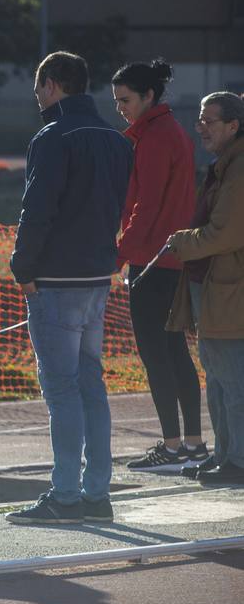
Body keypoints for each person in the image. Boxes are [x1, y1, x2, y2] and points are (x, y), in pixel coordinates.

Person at [6, 52, 133, 525]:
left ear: (52, 84)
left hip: (56, 278)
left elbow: (37, 208)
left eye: (39, 87)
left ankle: (65, 495)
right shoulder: (115, 139)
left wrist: (22, 266)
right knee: (90, 385)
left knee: (61, 390)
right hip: (97, 274)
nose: (37, 97)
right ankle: (96, 494)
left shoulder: (53, 136)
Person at [110, 60, 207, 470]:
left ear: (149, 96)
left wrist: (119, 255)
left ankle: (171, 447)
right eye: (117, 101)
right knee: (175, 350)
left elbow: (145, 207)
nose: (120, 108)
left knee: (156, 354)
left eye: (126, 100)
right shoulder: (173, 132)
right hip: (173, 257)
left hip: (151, 260)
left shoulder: (154, 137)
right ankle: (193, 444)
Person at [166, 92, 244, 486]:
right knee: (216, 377)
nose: (200, 128)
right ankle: (225, 454)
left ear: (233, 125)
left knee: (232, 380)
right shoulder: (224, 165)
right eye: (199, 120)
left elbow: (224, 234)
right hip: (213, 288)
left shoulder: (239, 169)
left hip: (229, 292)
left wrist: (182, 241)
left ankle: (239, 461)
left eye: (208, 121)